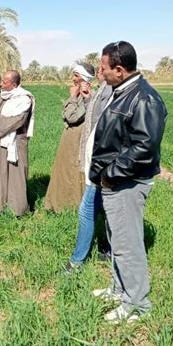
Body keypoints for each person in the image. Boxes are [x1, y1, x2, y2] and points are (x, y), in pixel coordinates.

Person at [89, 41, 167, 323]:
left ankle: (137, 304)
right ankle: (119, 288)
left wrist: (110, 174)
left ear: (119, 70)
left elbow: (144, 148)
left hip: (127, 183)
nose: (100, 72)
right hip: (115, 182)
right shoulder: (121, 91)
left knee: (128, 244)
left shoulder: (144, 99)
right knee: (116, 239)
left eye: (103, 67)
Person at [65, 66, 112, 272]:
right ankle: (110, 251)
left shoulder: (111, 91)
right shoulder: (102, 90)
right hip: (98, 161)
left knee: (87, 210)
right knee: (105, 209)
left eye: (103, 66)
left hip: (101, 163)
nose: (99, 70)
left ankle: (77, 262)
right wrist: (86, 98)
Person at [0, 70, 35, 216]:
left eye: (5, 82)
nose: (1, 83)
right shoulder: (0, 96)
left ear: (14, 84)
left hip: (15, 141)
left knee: (16, 174)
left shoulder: (24, 99)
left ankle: (16, 209)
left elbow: (18, 120)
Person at [44, 62, 95, 212]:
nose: (73, 78)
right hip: (71, 137)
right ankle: (60, 203)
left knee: (73, 171)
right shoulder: (81, 94)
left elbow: (71, 117)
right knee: (64, 168)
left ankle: (70, 206)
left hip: (78, 139)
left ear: (84, 78)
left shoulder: (88, 96)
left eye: (76, 75)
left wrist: (72, 97)